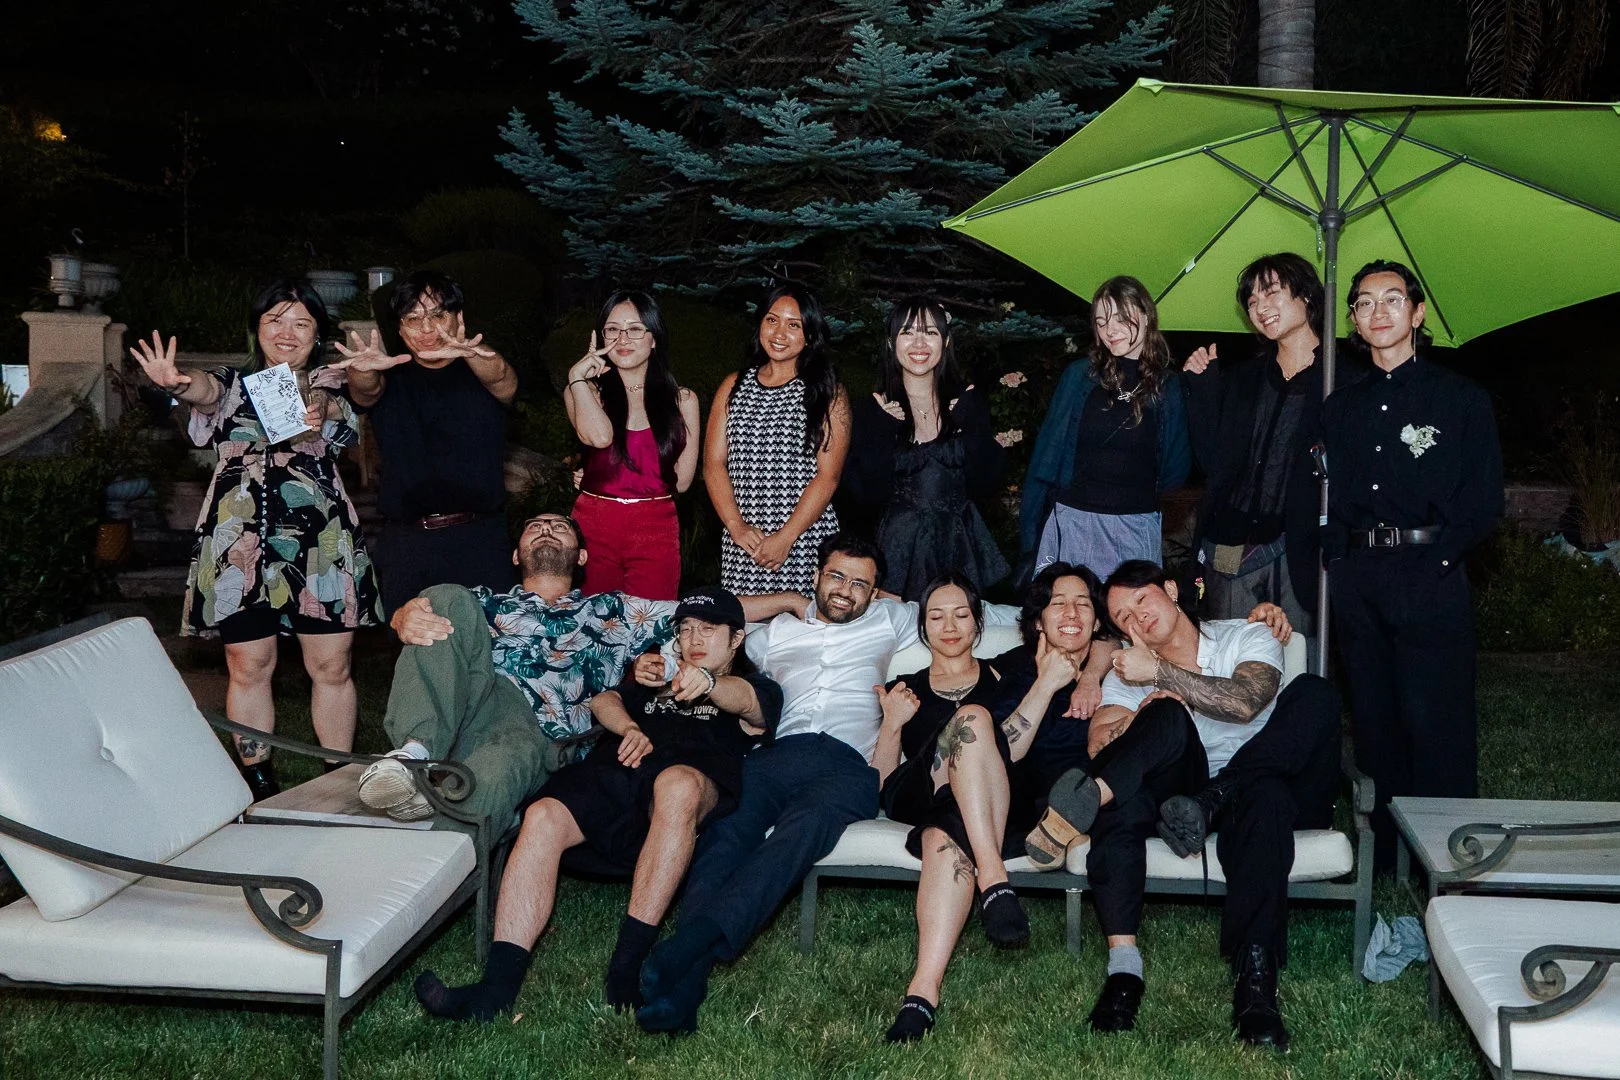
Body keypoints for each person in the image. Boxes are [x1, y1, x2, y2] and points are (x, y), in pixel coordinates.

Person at [632, 534, 1028, 1036]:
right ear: (817, 576)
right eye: (836, 576)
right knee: (725, 837)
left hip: (848, 765)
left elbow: (978, 612)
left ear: (875, 591)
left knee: (803, 831)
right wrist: (786, 601)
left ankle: (689, 946)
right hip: (777, 755)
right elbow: (717, 618)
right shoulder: (776, 632)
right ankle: (683, 996)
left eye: (861, 583)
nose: (846, 590)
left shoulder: (892, 619)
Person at [413, 586, 782, 1023]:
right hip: (618, 777)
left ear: (736, 639)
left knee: (677, 784)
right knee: (543, 814)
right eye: (685, 629)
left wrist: (710, 683)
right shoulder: (656, 680)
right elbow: (603, 700)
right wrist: (628, 727)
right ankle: (495, 991)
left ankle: (625, 970)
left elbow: (750, 707)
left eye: (708, 629)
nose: (694, 639)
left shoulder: (755, 686)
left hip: (684, 792)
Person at [130, 278, 383, 801]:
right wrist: (176, 383)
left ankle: (338, 774)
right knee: (248, 664)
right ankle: (257, 779)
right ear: (257, 328)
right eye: (274, 320)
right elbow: (203, 388)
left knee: (331, 665)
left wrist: (323, 407)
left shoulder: (334, 386)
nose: (286, 332)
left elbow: (348, 406)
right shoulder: (234, 384)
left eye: (301, 323)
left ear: (317, 334)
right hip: (237, 543)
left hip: (319, 543)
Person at [1099, 559, 1340, 1051]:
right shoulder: (1127, 672)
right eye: (1122, 617)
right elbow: (1105, 751)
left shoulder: (1245, 635)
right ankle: (1256, 991)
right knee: (1262, 796)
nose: (1136, 619)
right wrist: (1144, 712)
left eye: (1141, 600)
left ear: (1169, 589)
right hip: (1192, 797)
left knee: (1314, 692)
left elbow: (1247, 701)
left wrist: (1163, 671)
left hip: (1278, 786)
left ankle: (1222, 793)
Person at [1321, 259, 1504, 868]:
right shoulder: (1340, 408)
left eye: (1392, 300)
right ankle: (1386, 863)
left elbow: (1484, 502)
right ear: (1353, 319)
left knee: (1438, 725)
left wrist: (1441, 562)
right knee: (1375, 723)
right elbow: (1330, 499)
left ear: (1418, 314)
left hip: (1431, 575)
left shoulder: (1460, 400)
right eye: (1364, 302)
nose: (1378, 311)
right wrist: (1340, 564)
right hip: (1360, 583)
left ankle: (1451, 864)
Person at [353, 512, 676, 829]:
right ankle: (414, 755)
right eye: (534, 526)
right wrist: (402, 617)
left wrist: (670, 661)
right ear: (516, 556)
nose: (546, 529)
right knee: (442, 597)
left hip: (533, 734)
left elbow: (704, 613)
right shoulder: (483, 603)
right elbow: (425, 618)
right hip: (465, 711)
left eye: (559, 526)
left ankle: (437, 803)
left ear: (581, 556)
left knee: (492, 776)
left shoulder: (614, 611)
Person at [870, 572, 1020, 1043]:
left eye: (961, 615)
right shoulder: (904, 687)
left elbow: (1083, 644)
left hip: (984, 799)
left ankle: (921, 994)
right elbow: (878, 784)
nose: (949, 626)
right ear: (922, 627)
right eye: (936, 616)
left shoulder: (1004, 676)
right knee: (970, 719)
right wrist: (893, 723)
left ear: (978, 623)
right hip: (917, 789)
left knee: (943, 833)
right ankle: (994, 881)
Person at [1183, 253, 1354, 647]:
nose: (1260, 308)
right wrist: (1203, 390)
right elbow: (1212, 463)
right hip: (1232, 547)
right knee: (1230, 663)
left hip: (1303, 552)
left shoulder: (1341, 380)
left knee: (1297, 664)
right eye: (1252, 302)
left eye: (1271, 293)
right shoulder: (1241, 379)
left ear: (1307, 297)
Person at [335, 269, 519, 616]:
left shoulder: (483, 374)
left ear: (458, 318)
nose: (427, 328)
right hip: (409, 542)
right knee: (415, 653)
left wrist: (472, 351)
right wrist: (362, 368)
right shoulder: (388, 378)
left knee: (491, 650)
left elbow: (502, 376)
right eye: (413, 318)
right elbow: (365, 388)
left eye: (438, 315)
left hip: (480, 538)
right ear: (400, 328)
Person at [1021, 275, 1190, 581]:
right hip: (1073, 522)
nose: (1109, 330)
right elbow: (1045, 457)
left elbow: (1175, 472)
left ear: (1146, 316)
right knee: (1069, 621)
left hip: (1136, 526)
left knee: (1132, 624)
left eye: (1120, 318)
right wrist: (1030, 532)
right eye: (1101, 322)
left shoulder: (1169, 388)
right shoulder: (1079, 376)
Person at [838, 297, 1008, 600]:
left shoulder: (966, 403)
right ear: (891, 344)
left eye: (930, 332)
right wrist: (882, 429)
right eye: (907, 332)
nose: (919, 343)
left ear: (945, 341)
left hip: (961, 547)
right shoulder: (874, 409)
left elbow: (987, 483)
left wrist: (972, 428)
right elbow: (864, 496)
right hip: (899, 551)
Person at [705, 284, 849, 596]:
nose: (779, 333)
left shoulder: (828, 392)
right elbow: (714, 465)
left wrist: (786, 537)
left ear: (810, 334)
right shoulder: (733, 386)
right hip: (745, 544)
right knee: (746, 636)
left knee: (805, 633)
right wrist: (736, 527)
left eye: (793, 325)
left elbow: (829, 476)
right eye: (772, 320)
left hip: (804, 541)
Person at [564, 290, 701, 600]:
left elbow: (682, 480)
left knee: (650, 626)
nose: (622, 338)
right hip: (593, 526)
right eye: (613, 329)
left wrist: (630, 477)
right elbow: (598, 437)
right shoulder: (583, 391)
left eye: (635, 329)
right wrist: (577, 375)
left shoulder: (683, 400)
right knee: (593, 625)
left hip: (655, 529)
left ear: (654, 339)